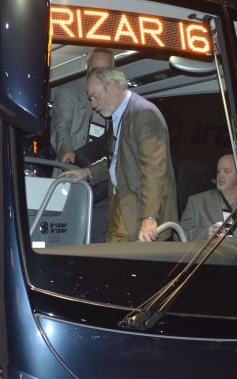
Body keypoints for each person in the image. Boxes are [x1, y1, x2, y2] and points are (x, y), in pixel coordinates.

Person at [60, 67, 177, 242]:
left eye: (95, 97)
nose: (93, 105)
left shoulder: (143, 114)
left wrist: (149, 218)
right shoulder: (121, 116)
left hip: (138, 210)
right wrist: (87, 172)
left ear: (112, 86)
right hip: (121, 202)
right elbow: (118, 161)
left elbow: (154, 171)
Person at [50, 48, 115, 243]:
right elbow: (60, 128)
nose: (99, 75)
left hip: (101, 182)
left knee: (98, 239)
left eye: (105, 71)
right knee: (67, 236)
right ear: (87, 68)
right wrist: (66, 151)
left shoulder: (116, 97)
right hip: (72, 176)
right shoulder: (69, 90)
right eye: (95, 69)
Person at [179, 153, 237, 241]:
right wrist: (205, 235)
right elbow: (178, 234)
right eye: (218, 171)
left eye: (227, 171)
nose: (220, 175)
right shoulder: (197, 202)